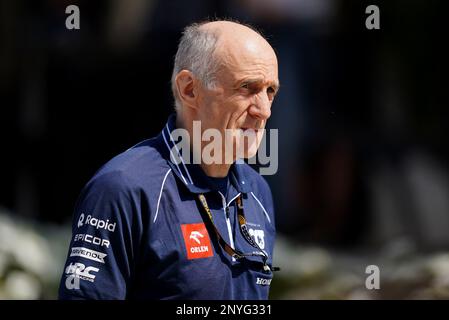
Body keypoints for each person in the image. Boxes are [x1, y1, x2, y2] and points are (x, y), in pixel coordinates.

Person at [59, 19, 280, 300]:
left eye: (270, 91)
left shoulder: (257, 190)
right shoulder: (123, 188)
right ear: (189, 89)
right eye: (247, 87)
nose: (264, 110)